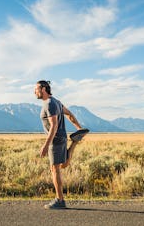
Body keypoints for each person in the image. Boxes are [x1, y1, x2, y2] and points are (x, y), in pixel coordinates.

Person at [35, 80, 88, 209]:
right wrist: (79, 128)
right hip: (62, 138)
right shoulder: (57, 102)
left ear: (43, 89)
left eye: (36, 89)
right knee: (63, 164)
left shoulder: (49, 104)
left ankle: (60, 200)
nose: (34, 92)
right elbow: (69, 114)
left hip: (55, 140)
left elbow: (54, 125)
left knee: (55, 169)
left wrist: (46, 145)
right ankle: (74, 142)